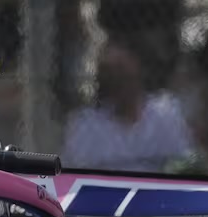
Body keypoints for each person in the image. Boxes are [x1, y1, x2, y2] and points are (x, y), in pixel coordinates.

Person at [60, 39, 195, 172]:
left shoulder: (166, 113)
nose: (117, 80)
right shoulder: (85, 126)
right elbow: (70, 174)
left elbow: (184, 166)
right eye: (109, 73)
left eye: (122, 70)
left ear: (139, 70)